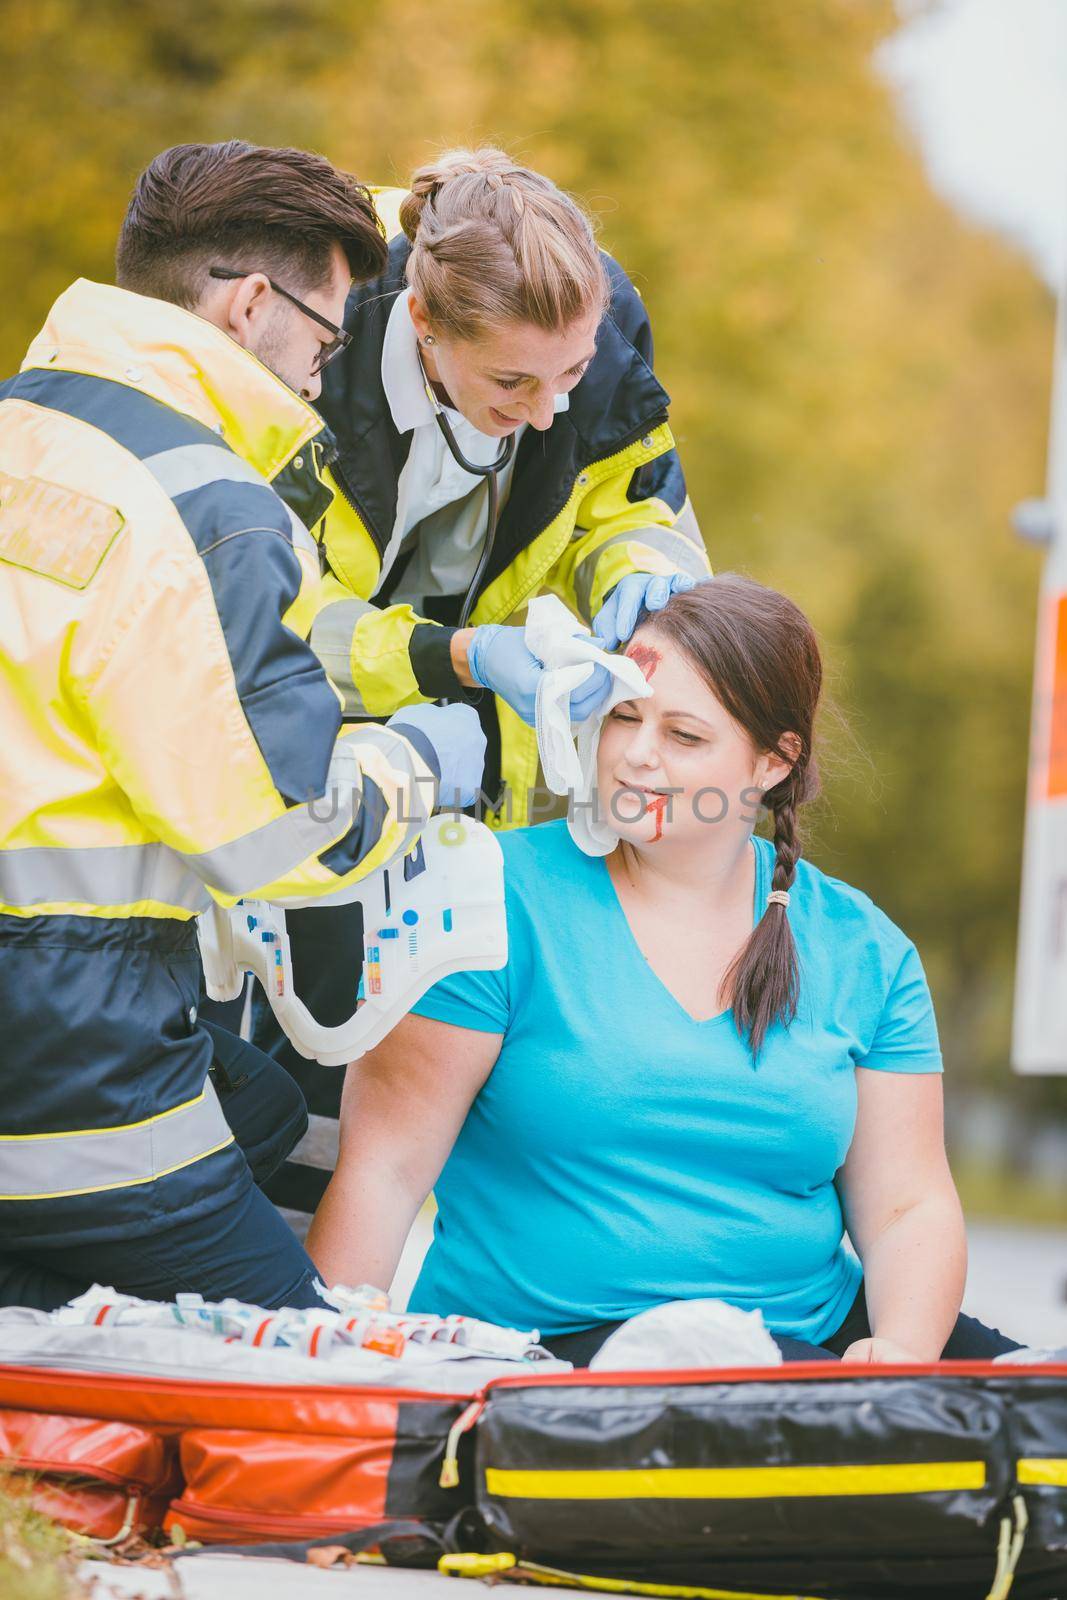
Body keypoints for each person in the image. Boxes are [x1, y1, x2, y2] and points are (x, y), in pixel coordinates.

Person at [0, 140, 484, 1313]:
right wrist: (426, 757)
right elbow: (282, 837)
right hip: (78, 1055)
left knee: (261, 1111)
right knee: (310, 1386)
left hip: (48, 1014)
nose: (323, 378)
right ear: (252, 303)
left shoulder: (24, 432)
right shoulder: (210, 504)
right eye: (324, 340)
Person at [308, 575, 1021, 1364]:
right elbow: (384, 1172)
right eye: (622, 717)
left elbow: (906, 1207)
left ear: (772, 764)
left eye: (683, 736)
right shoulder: (491, 896)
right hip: (541, 1357)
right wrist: (320, 1385)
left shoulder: (863, 948)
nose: (636, 756)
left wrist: (898, 1361)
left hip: (804, 1340)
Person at [258, 146, 711, 1222]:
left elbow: (636, 509)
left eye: (565, 377)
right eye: (513, 382)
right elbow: (259, 615)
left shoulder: (592, 342)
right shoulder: (310, 325)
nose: (549, 411)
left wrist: (641, 574)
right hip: (292, 758)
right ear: (421, 322)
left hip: (472, 784)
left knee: (410, 1109)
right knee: (284, 1093)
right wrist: (445, 659)